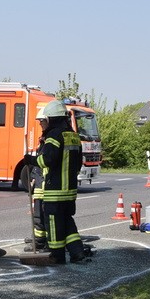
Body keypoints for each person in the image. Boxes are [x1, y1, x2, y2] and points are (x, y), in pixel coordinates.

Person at [37, 99, 88, 264]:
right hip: (70, 191)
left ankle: (57, 256)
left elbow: (47, 159)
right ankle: (77, 253)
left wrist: (30, 160)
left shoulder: (54, 135)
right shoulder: (74, 136)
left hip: (55, 191)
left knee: (53, 224)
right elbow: (79, 163)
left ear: (52, 118)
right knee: (67, 222)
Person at [24, 106, 49, 253]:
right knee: (38, 214)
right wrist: (33, 178)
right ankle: (38, 238)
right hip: (39, 182)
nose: (40, 123)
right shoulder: (44, 139)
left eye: (42, 121)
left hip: (45, 186)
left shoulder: (49, 141)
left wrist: (32, 161)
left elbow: (44, 161)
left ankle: (39, 242)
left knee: (41, 216)